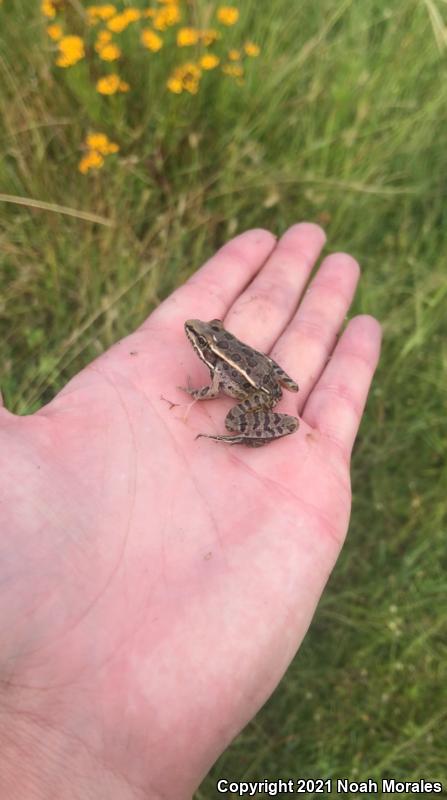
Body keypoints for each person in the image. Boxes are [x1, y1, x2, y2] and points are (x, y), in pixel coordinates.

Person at [0, 223, 381, 799]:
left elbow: (215, 389)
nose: (199, 339)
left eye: (205, 341)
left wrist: (202, 390)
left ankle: (243, 440)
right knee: (252, 393)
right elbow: (245, 368)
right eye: (206, 338)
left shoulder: (214, 364)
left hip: (254, 389)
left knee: (232, 418)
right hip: (268, 373)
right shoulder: (222, 346)